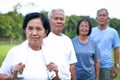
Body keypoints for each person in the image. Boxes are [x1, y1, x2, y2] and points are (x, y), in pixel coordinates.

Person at [0, 12, 60, 80]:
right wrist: (12, 76)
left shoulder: (52, 53)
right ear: (25, 31)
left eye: (38, 29)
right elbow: (1, 76)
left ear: (45, 32)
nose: (34, 33)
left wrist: (56, 75)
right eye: (30, 28)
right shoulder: (15, 52)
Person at [43, 8, 77, 80]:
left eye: (61, 19)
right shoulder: (43, 39)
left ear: (65, 21)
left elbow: (71, 65)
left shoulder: (67, 40)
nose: (59, 21)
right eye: (56, 18)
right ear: (49, 20)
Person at [89, 8, 120, 80]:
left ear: (108, 18)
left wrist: (116, 65)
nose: (102, 17)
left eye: (104, 15)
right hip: (92, 65)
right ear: (96, 18)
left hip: (107, 66)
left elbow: (116, 50)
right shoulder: (91, 31)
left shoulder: (113, 32)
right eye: (100, 15)